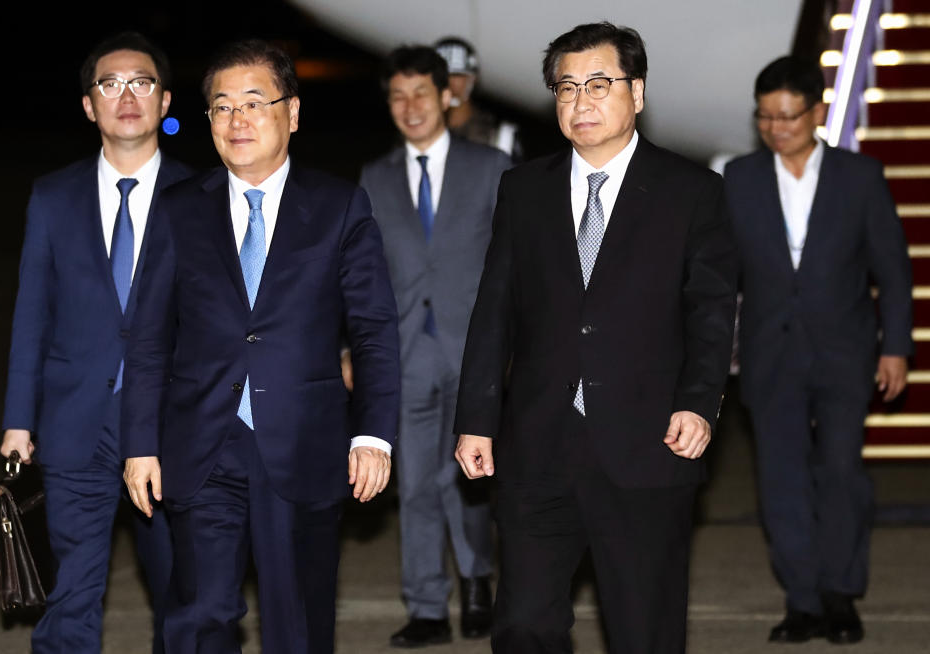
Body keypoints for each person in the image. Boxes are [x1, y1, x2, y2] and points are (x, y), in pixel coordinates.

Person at [453, 21, 737, 654]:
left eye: (599, 84)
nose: (580, 101)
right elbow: (494, 309)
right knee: (524, 623)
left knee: (643, 630)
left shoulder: (691, 191)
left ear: (636, 93)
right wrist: (476, 418)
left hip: (646, 443)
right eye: (566, 87)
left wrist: (698, 401)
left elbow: (710, 313)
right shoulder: (523, 190)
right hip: (538, 446)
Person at [120, 38, 400, 653]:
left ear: (292, 113)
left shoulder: (338, 207)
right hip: (203, 447)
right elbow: (147, 338)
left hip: (304, 444)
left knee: (296, 622)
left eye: (254, 102)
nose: (237, 120)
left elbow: (375, 330)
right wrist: (140, 443)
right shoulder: (178, 210)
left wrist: (373, 434)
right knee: (200, 616)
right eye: (222, 107)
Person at [0, 31, 189, 653]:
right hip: (76, 424)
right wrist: (19, 419)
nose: (125, 96)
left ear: (164, 101)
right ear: (89, 106)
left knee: (183, 598)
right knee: (70, 597)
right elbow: (32, 313)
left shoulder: (203, 198)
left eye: (141, 82)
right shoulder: (52, 197)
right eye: (109, 84)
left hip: (171, 430)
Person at [724, 56, 912, 645]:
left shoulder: (860, 177)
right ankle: (801, 600)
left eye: (788, 116)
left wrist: (897, 347)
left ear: (815, 111)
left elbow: (894, 270)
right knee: (780, 480)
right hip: (768, 352)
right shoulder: (740, 177)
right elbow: (719, 273)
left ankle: (840, 593)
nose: (777, 128)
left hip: (844, 349)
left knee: (840, 473)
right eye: (765, 117)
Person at [359, 45, 510, 648]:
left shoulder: (491, 166)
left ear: (447, 95)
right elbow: (361, 273)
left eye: (422, 93)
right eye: (398, 96)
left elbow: (514, 264)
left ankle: (477, 583)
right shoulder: (375, 176)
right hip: (404, 354)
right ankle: (425, 605)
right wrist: (355, 350)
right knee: (415, 480)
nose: (410, 107)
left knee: (468, 477)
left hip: (474, 349)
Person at [434, 37, 522, 159]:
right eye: (443, 75)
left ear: (473, 78)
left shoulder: (500, 136)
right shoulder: (419, 131)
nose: (450, 82)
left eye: (457, 75)